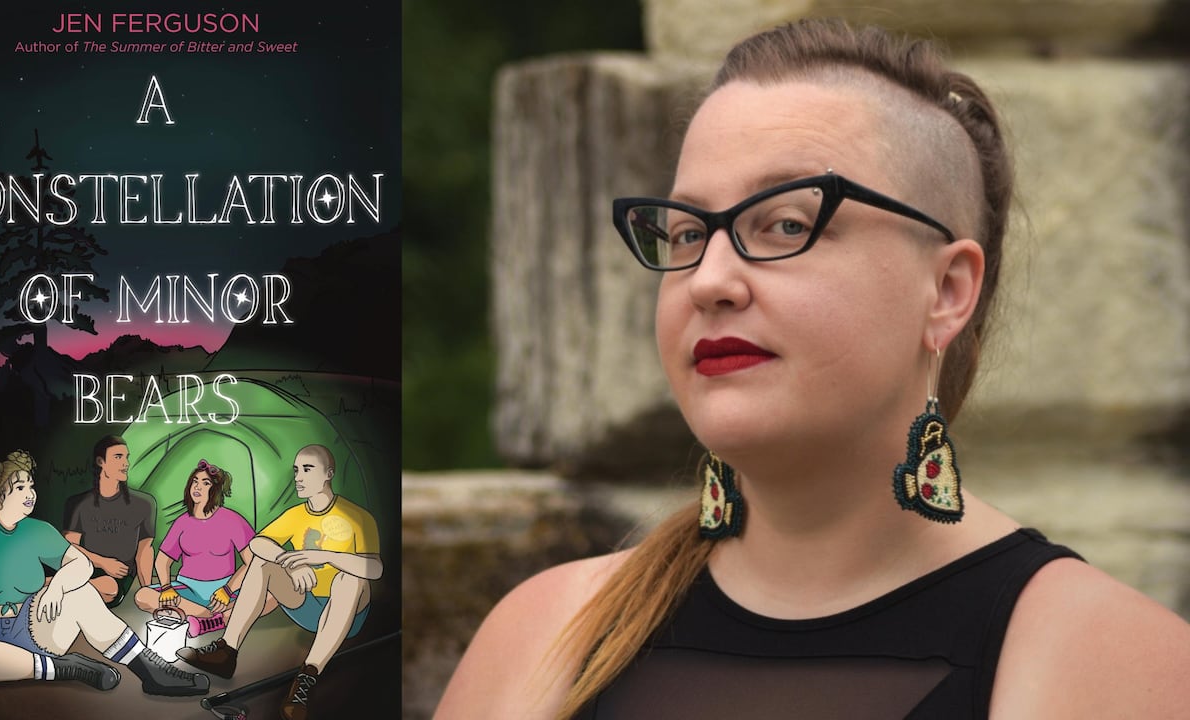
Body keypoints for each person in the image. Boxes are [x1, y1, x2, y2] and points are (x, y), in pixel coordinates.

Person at [436, 18, 1190, 720]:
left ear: (948, 290)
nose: (710, 280)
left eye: (787, 223)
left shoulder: (1111, 666)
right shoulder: (546, 639)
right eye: (689, 231)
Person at [0, 450, 210, 696]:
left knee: (81, 592)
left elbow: (80, 564)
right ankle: (62, 668)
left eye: (31, 486)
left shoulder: (39, 530)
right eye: (19, 487)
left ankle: (151, 672)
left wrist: (57, 587)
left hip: (29, 623)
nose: (29, 494)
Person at [178, 444, 382, 720]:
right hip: (306, 604)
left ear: (328, 474)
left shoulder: (357, 517)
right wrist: (289, 561)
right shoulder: (295, 515)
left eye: (307, 469)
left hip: (349, 611)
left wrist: (323, 556)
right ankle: (226, 652)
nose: (298, 477)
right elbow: (258, 543)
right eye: (296, 470)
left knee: (351, 578)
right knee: (263, 561)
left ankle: (306, 680)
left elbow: (375, 567)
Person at [134, 458, 260, 637]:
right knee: (142, 596)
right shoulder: (182, 522)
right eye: (195, 482)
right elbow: (162, 560)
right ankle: (215, 618)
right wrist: (167, 587)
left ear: (215, 490)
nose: (197, 487)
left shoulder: (233, 520)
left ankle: (208, 618)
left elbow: (251, 562)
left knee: (269, 596)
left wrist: (228, 589)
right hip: (188, 590)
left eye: (205, 483)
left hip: (225, 590)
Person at [63, 434, 156, 608]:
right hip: (83, 568)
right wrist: (102, 562)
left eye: (126, 457)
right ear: (101, 462)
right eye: (118, 457)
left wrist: (147, 589)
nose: (126, 463)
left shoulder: (144, 504)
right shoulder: (78, 503)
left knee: (109, 588)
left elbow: (145, 550)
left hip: (118, 577)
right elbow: (69, 547)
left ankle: (54, 588)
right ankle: (60, 588)